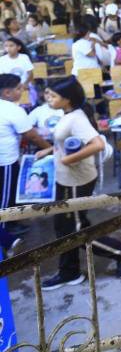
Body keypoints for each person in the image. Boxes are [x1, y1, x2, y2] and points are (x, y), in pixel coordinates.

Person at [35, 77, 121, 290]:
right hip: (66, 179)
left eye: (53, 95)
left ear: (67, 99)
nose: (48, 98)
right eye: (48, 94)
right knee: (64, 228)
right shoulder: (69, 114)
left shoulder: (77, 118)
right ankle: (69, 272)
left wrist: (68, 159)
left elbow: (97, 144)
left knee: (76, 231)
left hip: (76, 182)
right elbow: (69, 141)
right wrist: (50, 150)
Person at [0, 74, 50, 254]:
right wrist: (50, 148)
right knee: (4, 201)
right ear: (7, 92)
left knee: (10, 194)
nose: (23, 91)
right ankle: (5, 241)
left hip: (7, 157)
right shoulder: (12, 110)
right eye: (19, 88)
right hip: (5, 161)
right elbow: (32, 136)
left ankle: (12, 224)